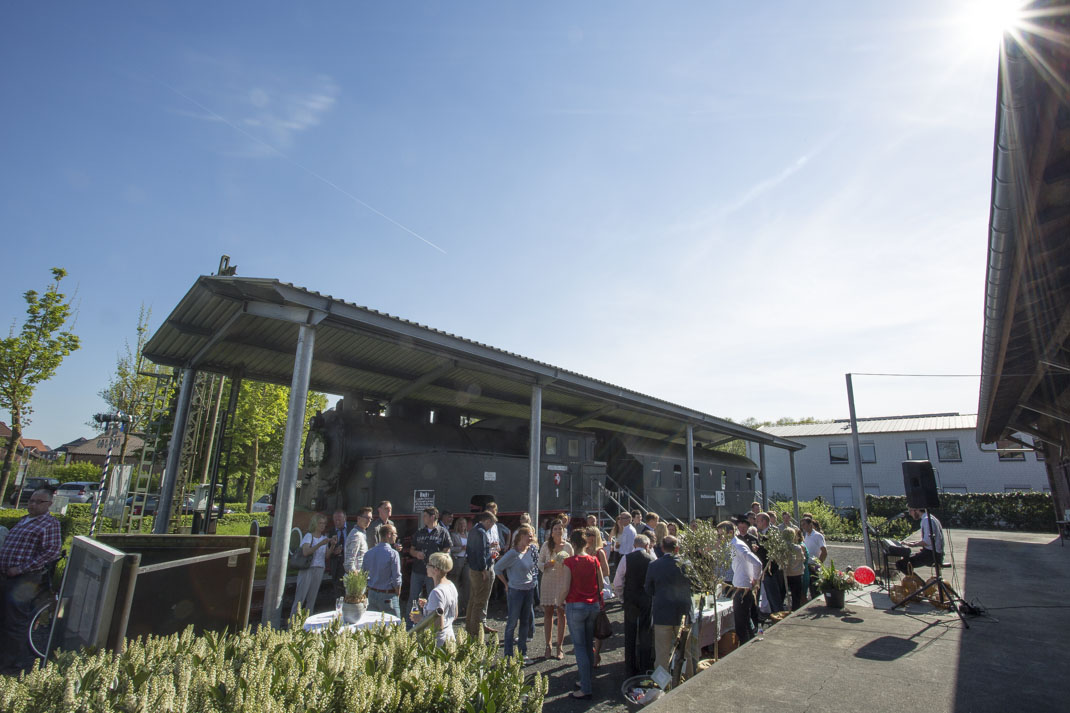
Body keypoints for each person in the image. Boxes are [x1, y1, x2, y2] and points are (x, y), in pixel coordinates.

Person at [0, 488, 61, 674]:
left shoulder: (49, 524)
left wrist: (21, 568)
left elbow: (51, 551)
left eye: (38, 502)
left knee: (15, 620)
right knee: (5, 616)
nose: (33, 504)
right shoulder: (26, 520)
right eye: (31, 500)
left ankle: (11, 664)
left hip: (25, 579)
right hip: (7, 576)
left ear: (49, 504)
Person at [564, 529, 601, 700]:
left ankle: (586, 687)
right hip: (593, 605)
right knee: (587, 645)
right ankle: (585, 680)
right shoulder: (594, 560)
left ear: (572, 543)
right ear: (586, 543)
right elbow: (601, 583)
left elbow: (565, 586)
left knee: (579, 648)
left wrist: (559, 600)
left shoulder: (569, 562)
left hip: (575, 604)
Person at [494, 524, 539, 660]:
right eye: (528, 536)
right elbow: (497, 568)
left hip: (528, 590)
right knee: (512, 623)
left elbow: (534, 568)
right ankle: (508, 655)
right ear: (521, 537)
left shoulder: (531, 550)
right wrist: (506, 584)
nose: (531, 539)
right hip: (516, 591)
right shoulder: (513, 553)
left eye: (532, 536)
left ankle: (522, 654)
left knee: (525, 622)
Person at [615, 533, 656, 677]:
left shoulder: (626, 558)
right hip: (646, 598)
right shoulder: (652, 559)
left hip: (630, 598)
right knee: (645, 632)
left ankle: (630, 667)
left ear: (634, 545)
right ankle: (645, 666)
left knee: (630, 633)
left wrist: (621, 598)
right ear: (647, 546)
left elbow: (618, 581)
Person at [537, 519, 573, 659]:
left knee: (561, 614)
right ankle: (548, 645)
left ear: (564, 531)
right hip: (548, 581)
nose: (558, 531)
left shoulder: (568, 546)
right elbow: (539, 562)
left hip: (563, 581)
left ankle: (560, 645)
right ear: (551, 532)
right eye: (556, 529)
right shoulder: (546, 545)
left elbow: (573, 563)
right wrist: (545, 564)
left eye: (560, 528)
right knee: (548, 613)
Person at [290, 513, 334, 619]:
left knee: (312, 598)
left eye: (324, 523)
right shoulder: (309, 536)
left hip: (319, 568)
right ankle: (292, 624)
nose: (322, 526)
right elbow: (305, 552)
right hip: (308, 568)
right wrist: (320, 544)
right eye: (320, 523)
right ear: (315, 524)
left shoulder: (324, 537)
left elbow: (327, 556)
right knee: (300, 598)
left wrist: (332, 545)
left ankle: (307, 622)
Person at [409, 552, 458, 647]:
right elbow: (454, 615)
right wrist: (429, 605)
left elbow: (438, 626)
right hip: (450, 637)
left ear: (436, 570)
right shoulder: (451, 585)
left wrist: (420, 619)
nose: (426, 567)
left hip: (437, 643)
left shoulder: (436, 593)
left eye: (429, 564)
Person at [465, 511, 499, 640]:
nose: (492, 526)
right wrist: (484, 569)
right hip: (481, 571)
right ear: (487, 521)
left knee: (473, 600)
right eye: (492, 523)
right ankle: (474, 633)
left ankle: (469, 628)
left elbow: (471, 550)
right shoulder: (481, 532)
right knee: (480, 601)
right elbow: (481, 552)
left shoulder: (474, 530)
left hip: (473, 569)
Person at [729, 516, 763, 645]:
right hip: (740, 583)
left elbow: (757, 562)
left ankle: (746, 646)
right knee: (746, 619)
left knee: (742, 623)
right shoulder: (733, 544)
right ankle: (752, 642)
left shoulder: (738, 545)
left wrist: (755, 579)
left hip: (743, 586)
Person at [409, 507, 452, 601]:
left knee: (434, 596)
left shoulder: (443, 532)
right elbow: (411, 550)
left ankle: (430, 615)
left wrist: (438, 559)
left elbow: (447, 551)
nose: (423, 518)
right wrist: (416, 554)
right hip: (418, 569)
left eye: (425, 516)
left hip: (434, 571)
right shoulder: (419, 532)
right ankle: (410, 615)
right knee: (413, 598)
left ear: (432, 517)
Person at [584, 525, 612, 666]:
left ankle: (596, 654)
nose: (587, 537)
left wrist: (594, 575)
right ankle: (590, 652)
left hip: (595, 590)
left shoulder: (599, 552)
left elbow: (606, 572)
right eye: (586, 534)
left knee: (597, 624)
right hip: (584, 591)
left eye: (589, 534)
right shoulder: (582, 551)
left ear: (595, 537)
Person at [362, 523, 402, 619]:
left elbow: (363, 575)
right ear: (389, 534)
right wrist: (397, 594)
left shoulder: (368, 553)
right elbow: (397, 578)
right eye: (395, 534)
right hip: (388, 594)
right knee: (394, 626)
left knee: (372, 625)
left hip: (372, 593)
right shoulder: (393, 554)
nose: (396, 536)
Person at [896, 508, 945, 575]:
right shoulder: (929, 518)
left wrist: (914, 545)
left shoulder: (927, 520)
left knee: (901, 564)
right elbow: (927, 539)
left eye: (910, 511)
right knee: (906, 558)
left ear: (917, 510)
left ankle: (918, 584)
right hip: (932, 553)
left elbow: (927, 542)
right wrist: (911, 543)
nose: (910, 513)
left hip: (932, 555)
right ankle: (916, 583)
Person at [755, 512, 785, 613]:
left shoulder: (772, 533)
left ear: (764, 521)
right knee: (770, 596)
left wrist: (757, 550)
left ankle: (778, 615)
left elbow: (770, 552)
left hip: (771, 570)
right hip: (767, 569)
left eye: (758, 521)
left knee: (774, 597)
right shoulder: (764, 533)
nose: (756, 523)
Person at [325, 508, 350, 598]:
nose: (337, 522)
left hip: (349, 565)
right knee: (338, 594)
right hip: (337, 566)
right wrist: (333, 552)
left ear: (345, 518)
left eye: (339, 519)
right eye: (335, 520)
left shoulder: (351, 529)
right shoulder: (331, 532)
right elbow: (327, 551)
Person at [449, 516, 470, 617]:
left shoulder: (468, 535)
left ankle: (464, 606)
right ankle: (454, 606)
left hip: (466, 560)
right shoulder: (453, 535)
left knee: (467, 584)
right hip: (457, 560)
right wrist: (461, 548)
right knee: (455, 583)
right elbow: (450, 548)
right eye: (461, 524)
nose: (463, 526)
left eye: (464, 524)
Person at [782, 526, 806, 610]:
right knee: (796, 595)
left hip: (785, 573)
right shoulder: (797, 548)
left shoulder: (781, 548)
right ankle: (795, 609)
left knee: (782, 594)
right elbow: (803, 559)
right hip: (796, 573)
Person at [344, 506, 372, 574]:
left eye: (370, 518)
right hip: (354, 580)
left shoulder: (361, 534)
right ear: (359, 518)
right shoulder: (356, 535)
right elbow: (349, 563)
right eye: (366, 518)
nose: (369, 520)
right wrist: (357, 578)